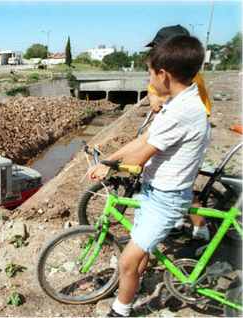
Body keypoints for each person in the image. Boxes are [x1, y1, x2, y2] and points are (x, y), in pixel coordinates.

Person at [88, 35, 209, 317]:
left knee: (128, 262)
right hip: (155, 192)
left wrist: (110, 168)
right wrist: (110, 158)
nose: (148, 78)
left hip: (165, 199)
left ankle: (121, 310)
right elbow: (146, 138)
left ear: (163, 75)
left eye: (150, 72)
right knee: (138, 255)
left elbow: (141, 156)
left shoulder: (182, 111)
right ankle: (133, 288)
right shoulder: (180, 102)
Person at [146, 25, 212, 241]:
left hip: (186, 136)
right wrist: (155, 98)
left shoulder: (191, 83)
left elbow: (188, 111)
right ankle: (175, 219)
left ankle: (200, 227)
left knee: (181, 184)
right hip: (176, 131)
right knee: (178, 185)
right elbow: (152, 88)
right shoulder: (169, 77)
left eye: (157, 48)